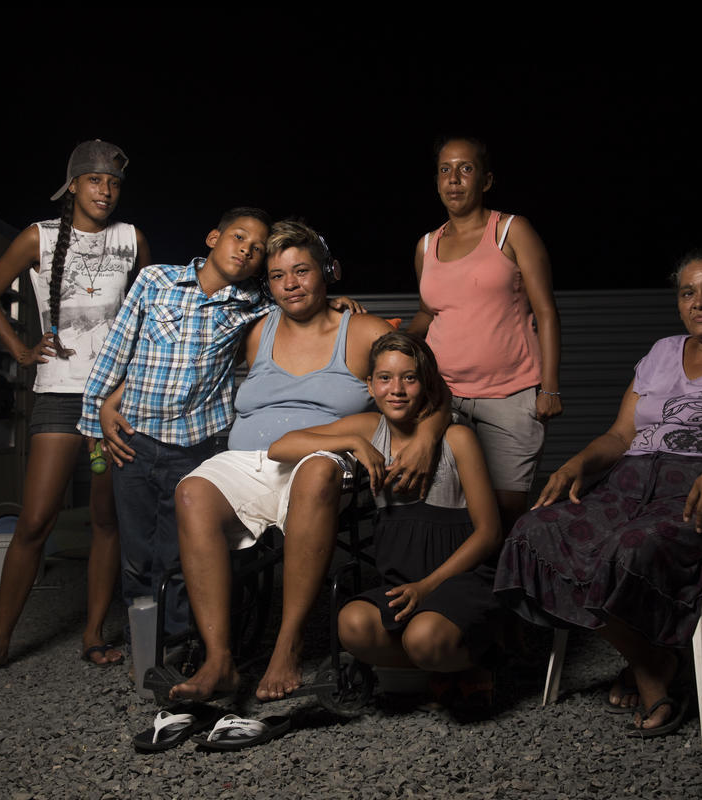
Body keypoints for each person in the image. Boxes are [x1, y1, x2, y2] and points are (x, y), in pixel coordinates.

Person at [493, 248, 702, 736]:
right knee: (534, 531)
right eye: (688, 292)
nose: (699, 302)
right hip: (632, 488)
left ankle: (649, 673)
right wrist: (577, 463)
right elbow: (620, 436)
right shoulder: (663, 351)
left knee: (631, 547)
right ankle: (654, 661)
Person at [157, 221, 446, 702]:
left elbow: (431, 386)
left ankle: (287, 646)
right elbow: (181, 361)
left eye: (302, 271)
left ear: (327, 272)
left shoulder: (363, 331)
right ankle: (219, 660)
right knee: (192, 491)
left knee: (315, 469)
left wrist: (428, 436)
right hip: (250, 460)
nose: (290, 284)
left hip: (327, 460)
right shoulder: (256, 331)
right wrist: (114, 398)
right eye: (277, 275)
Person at [0, 140, 149, 680]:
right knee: (36, 519)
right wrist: (21, 350)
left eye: (113, 183)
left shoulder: (132, 239)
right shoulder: (38, 237)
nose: (105, 191)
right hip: (60, 393)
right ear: (73, 186)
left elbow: (153, 309)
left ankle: (93, 634)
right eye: (95, 181)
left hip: (115, 398)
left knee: (106, 520)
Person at [77, 207, 276, 638]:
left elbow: (302, 302)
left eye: (258, 249)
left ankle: (180, 646)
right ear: (213, 238)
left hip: (195, 448)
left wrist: (336, 301)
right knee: (137, 553)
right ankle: (145, 641)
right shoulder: (156, 281)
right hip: (132, 440)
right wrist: (96, 419)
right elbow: (118, 349)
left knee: (180, 553)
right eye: (239, 237)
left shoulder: (254, 305)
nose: (246, 250)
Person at [270, 332, 503, 697]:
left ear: (426, 384)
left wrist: (427, 588)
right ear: (370, 385)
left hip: (458, 576)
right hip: (402, 576)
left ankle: (473, 660)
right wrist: (353, 442)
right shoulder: (369, 429)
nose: (396, 389)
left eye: (409, 378)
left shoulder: (457, 438)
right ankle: (437, 664)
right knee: (352, 625)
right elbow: (280, 446)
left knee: (424, 636)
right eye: (385, 378)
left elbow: (490, 533)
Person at [407, 136, 562, 534]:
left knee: (506, 511)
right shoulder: (427, 245)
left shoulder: (511, 230)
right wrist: (392, 341)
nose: (454, 179)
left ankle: (507, 575)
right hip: (443, 394)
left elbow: (546, 310)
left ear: (486, 180)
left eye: (466, 169)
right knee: (449, 506)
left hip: (510, 394)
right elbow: (428, 312)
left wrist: (550, 387)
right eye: (445, 170)